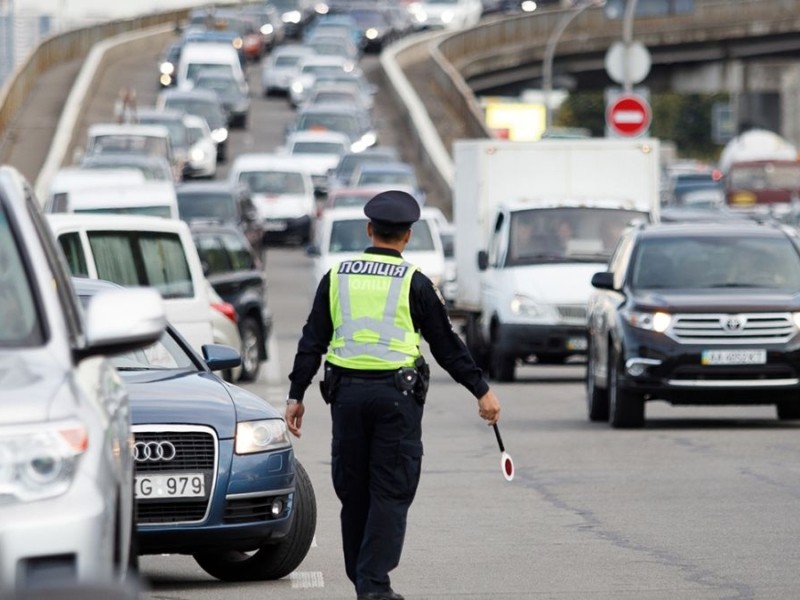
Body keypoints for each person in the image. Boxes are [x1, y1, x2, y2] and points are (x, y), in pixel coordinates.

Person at [285, 190, 501, 600]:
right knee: (391, 489)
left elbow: (312, 339)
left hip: (346, 398)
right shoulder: (415, 282)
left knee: (354, 491)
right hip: (395, 400)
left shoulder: (337, 276)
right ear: (407, 236)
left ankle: (365, 580)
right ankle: (373, 586)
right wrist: (481, 390)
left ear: (370, 230)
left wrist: (296, 394)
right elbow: (445, 344)